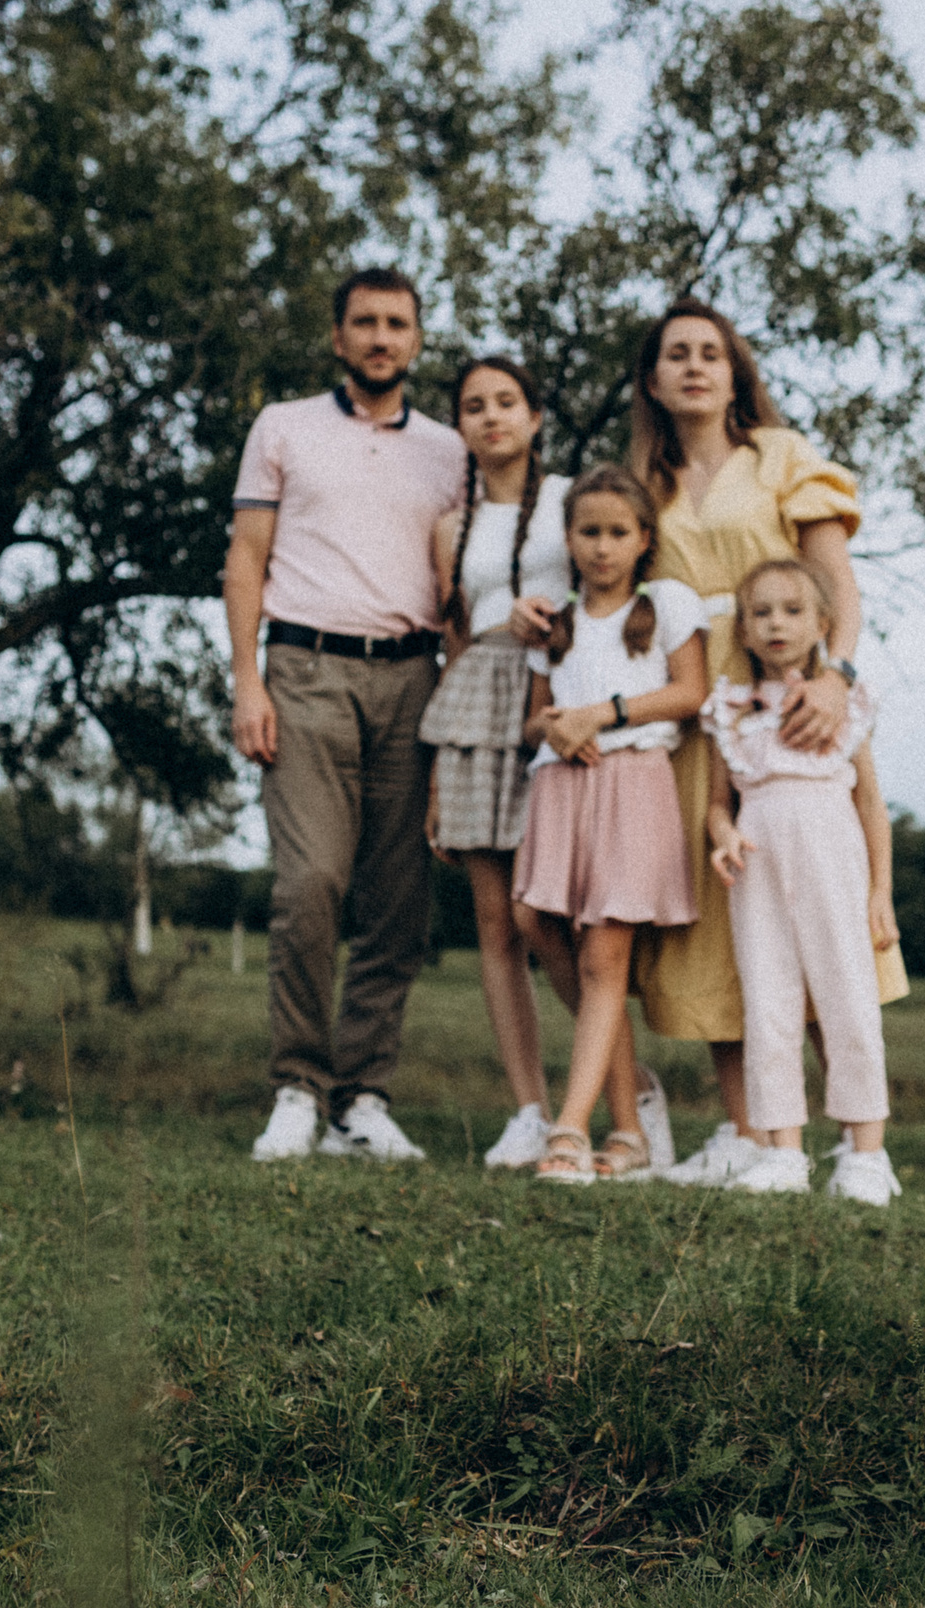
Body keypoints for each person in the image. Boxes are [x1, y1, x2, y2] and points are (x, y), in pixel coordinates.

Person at [516, 298, 906, 1185]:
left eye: (710, 353)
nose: (694, 366)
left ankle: (856, 1136)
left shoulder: (783, 459)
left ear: (735, 372)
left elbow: (836, 584)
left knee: (816, 907)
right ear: (652, 379)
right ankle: (747, 1128)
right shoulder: (640, 482)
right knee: (722, 922)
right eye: (674, 354)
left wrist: (833, 677)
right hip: (685, 712)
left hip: (783, 688)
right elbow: (595, 584)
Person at [226, 266, 465, 1163]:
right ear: (337, 337)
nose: (380, 337)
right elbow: (246, 557)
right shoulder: (283, 426)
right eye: (364, 322)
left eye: (397, 323)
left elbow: (461, 579)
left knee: (399, 900)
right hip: (306, 667)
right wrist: (247, 681)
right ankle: (297, 1084)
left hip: (413, 677)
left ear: (416, 338)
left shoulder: (449, 451)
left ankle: (361, 1097)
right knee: (310, 884)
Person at [511, 465, 709, 1184]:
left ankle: (573, 1130)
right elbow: (535, 715)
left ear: (644, 539)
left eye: (617, 532)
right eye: (589, 532)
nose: (602, 547)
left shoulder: (666, 604)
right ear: (568, 538)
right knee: (531, 919)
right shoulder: (555, 618)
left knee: (604, 959)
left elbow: (691, 691)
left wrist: (608, 713)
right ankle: (632, 1119)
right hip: (561, 787)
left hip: (631, 785)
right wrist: (558, 726)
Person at [418, 357, 579, 1168]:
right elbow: (454, 635)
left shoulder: (570, 499)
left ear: (536, 416)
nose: (491, 418)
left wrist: (553, 623)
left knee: (545, 915)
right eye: (474, 407)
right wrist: (440, 785)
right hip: (478, 704)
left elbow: (617, 591)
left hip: (553, 700)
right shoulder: (452, 524)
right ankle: (528, 1107)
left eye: (506, 402)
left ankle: (616, 1093)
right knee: (494, 922)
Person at [704, 559, 903, 1203]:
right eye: (760, 612)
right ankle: (783, 1152)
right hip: (758, 866)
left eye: (792, 610)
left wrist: (881, 893)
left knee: (848, 997)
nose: (776, 624)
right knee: (769, 1002)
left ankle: (866, 1154)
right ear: (743, 628)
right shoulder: (730, 711)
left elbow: (872, 804)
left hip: (832, 860)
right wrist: (724, 836)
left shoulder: (846, 706)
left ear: (822, 623)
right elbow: (716, 804)